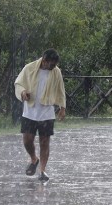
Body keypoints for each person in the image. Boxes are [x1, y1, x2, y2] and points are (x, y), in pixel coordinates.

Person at [14, 48, 66, 182]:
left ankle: (42, 170)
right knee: (27, 140)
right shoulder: (29, 68)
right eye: (51, 64)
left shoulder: (56, 72)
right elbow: (19, 83)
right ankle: (33, 159)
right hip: (30, 111)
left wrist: (62, 107)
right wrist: (23, 92)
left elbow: (60, 90)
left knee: (44, 142)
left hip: (47, 113)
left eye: (55, 64)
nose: (54, 67)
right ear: (44, 61)